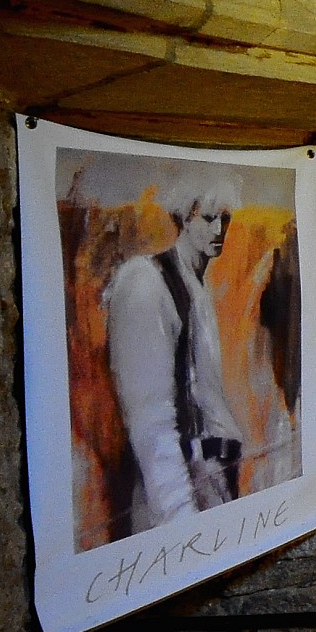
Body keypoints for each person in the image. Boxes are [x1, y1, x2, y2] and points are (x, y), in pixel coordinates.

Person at [105, 173, 246, 533]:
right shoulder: (146, 282)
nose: (219, 230)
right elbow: (150, 419)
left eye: (224, 218)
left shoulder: (198, 290)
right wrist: (180, 517)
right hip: (174, 502)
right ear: (184, 217)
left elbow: (206, 395)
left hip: (214, 487)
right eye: (208, 218)